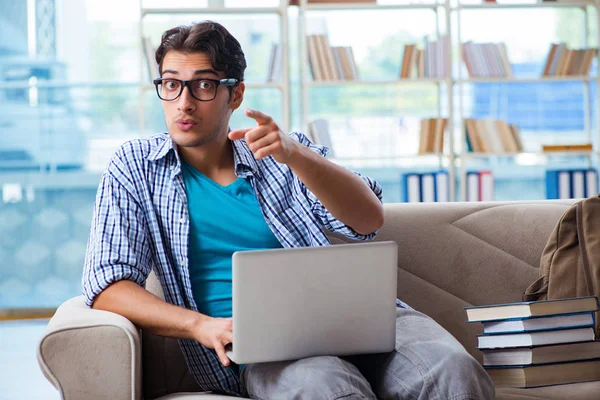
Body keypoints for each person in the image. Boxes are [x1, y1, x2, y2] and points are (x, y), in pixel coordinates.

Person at [82, 20, 494, 399]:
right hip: (263, 346)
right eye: (171, 85)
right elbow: (107, 285)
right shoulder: (136, 167)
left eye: (203, 85)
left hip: (360, 320)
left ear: (235, 93)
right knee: (326, 389)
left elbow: (368, 219)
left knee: (454, 371)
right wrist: (199, 325)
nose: (184, 103)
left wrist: (296, 155)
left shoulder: (282, 150)